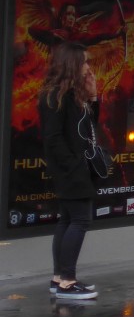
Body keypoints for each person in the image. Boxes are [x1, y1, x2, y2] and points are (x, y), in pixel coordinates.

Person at [38, 41, 100, 300]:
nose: (88, 67)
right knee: (80, 220)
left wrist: (93, 96)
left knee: (67, 219)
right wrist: (72, 164)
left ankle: (59, 278)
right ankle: (67, 281)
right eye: (84, 61)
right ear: (72, 64)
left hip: (75, 165)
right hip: (70, 168)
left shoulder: (72, 94)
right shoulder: (55, 96)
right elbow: (52, 138)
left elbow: (89, 129)